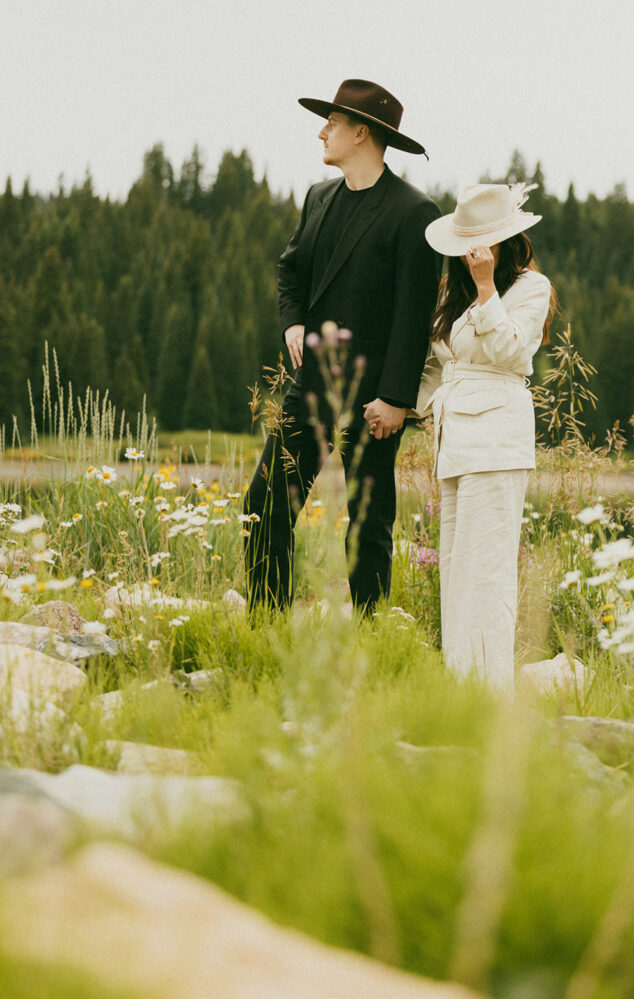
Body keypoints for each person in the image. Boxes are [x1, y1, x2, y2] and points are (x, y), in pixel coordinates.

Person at [244, 79, 441, 615]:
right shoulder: (318, 197)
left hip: (374, 398)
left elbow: (414, 315)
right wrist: (292, 323)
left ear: (361, 133)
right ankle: (266, 628)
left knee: (368, 522)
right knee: (263, 504)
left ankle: (372, 636)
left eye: (331, 123)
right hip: (309, 388)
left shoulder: (415, 213)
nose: (321, 132)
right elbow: (291, 271)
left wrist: (396, 397)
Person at [416, 183, 555, 690]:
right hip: (454, 443)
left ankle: (489, 695)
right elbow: (440, 367)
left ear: (506, 243)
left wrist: (486, 287)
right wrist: (400, 406)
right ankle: (460, 693)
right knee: (456, 571)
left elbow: (514, 353)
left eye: (481, 245)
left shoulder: (529, 289)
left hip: (496, 440)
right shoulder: (452, 295)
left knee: (487, 572)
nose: (471, 255)